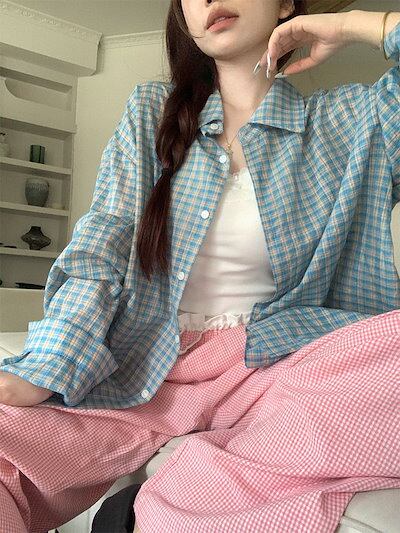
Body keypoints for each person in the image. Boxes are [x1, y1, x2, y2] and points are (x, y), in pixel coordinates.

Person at [1, 1, 399, 531]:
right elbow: (104, 244)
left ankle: (158, 506)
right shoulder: (152, 112)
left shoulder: (353, 120)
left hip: (281, 366)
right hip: (146, 361)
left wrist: (357, 24)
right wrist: (47, 364)